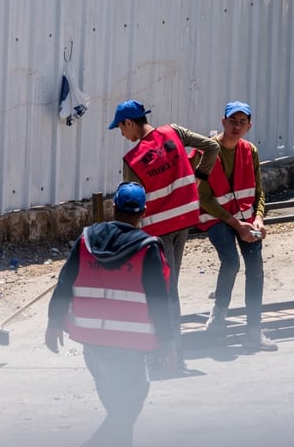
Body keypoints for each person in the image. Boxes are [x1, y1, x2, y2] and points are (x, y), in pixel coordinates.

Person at [45, 182, 173, 447]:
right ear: (143, 213)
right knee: (127, 408)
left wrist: (53, 324)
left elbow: (64, 283)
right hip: (129, 345)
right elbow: (159, 301)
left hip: (93, 342)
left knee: (118, 407)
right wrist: (168, 344)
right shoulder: (147, 248)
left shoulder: (86, 240)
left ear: (114, 208)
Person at [109, 99, 219, 374]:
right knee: (169, 289)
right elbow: (212, 146)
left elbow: (131, 206)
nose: (123, 135)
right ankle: (171, 353)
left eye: (121, 129)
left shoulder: (132, 161)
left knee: (163, 293)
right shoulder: (174, 132)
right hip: (184, 220)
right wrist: (199, 177)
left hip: (157, 231)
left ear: (129, 123)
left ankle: (169, 355)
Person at [196, 101, 278, 352]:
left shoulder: (249, 150)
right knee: (231, 262)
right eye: (233, 120)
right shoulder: (206, 152)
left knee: (255, 268)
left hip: (245, 216)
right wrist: (236, 224)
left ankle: (253, 330)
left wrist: (259, 219)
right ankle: (217, 319)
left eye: (243, 122)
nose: (237, 126)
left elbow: (259, 192)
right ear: (223, 121)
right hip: (216, 218)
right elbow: (204, 198)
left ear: (249, 126)